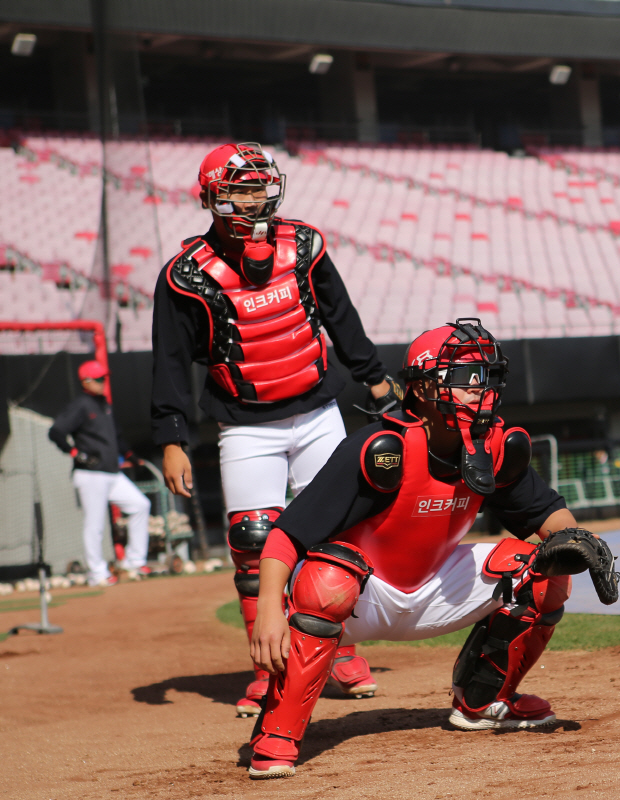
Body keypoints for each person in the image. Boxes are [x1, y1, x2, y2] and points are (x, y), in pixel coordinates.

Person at [244, 319, 620, 779]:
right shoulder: (381, 447)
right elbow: (288, 533)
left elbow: (550, 517)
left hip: (434, 589)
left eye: (488, 379)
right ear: (423, 388)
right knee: (328, 578)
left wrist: (577, 542)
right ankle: (277, 734)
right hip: (361, 598)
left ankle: (483, 702)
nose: (482, 392)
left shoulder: (497, 447)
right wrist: (267, 609)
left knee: (543, 568)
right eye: (468, 379)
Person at [151, 142, 399, 718]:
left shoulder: (305, 245)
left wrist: (377, 381)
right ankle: (268, 667)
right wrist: (170, 435)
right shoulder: (184, 276)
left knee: (337, 533)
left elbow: (341, 315)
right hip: (245, 425)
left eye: (261, 184)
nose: (255, 196)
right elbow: (168, 359)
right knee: (254, 542)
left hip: (318, 411)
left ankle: (341, 653)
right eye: (240, 187)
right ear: (212, 196)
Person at [49, 360, 150, 587]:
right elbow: (56, 431)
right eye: (99, 379)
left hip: (111, 472)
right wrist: (74, 452)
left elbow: (117, 437)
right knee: (95, 524)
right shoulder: (81, 405)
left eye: (104, 378)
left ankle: (134, 562)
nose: (103, 382)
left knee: (140, 505)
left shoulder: (105, 404)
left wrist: (131, 456)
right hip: (90, 474)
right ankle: (97, 573)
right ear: (86, 381)